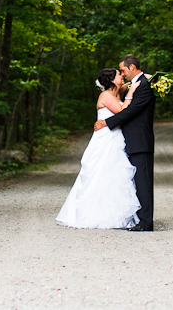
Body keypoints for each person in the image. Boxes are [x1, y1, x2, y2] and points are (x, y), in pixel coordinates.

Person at [56, 68, 142, 229]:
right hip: (105, 140)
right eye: (118, 74)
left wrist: (139, 80)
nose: (122, 75)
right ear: (111, 80)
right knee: (101, 173)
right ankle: (94, 213)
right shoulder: (106, 95)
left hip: (115, 138)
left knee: (115, 175)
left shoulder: (116, 91)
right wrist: (131, 93)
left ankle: (115, 213)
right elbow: (122, 112)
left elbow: (131, 82)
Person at [93, 54, 156, 232]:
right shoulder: (137, 84)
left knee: (143, 181)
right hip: (131, 140)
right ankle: (140, 219)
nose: (122, 73)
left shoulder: (143, 85)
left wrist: (106, 122)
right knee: (136, 181)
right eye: (119, 72)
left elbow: (131, 111)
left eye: (123, 70)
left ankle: (145, 223)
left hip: (140, 140)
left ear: (132, 68)